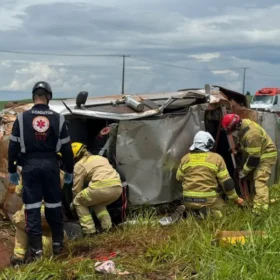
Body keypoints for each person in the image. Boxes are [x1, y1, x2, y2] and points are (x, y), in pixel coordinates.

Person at [8, 81, 74, 262]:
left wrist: (12, 169)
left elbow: (13, 146)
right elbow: (67, 149)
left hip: (30, 166)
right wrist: (69, 170)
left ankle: (36, 252)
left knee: (32, 209)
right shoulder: (58, 118)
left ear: (33, 96)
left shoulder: (22, 119)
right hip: (51, 165)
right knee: (54, 206)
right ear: (49, 96)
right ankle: (58, 247)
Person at [11, 159, 66, 266]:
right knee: (52, 231)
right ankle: (52, 257)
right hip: (52, 214)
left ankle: (18, 257)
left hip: (32, 213)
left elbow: (18, 192)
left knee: (20, 223)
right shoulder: (61, 174)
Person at [176, 131, 244, 218]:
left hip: (188, 200)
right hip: (208, 200)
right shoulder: (216, 158)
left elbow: (178, 178)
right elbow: (227, 184)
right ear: (209, 144)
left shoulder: (185, 158)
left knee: (193, 207)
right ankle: (210, 213)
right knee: (226, 211)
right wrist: (236, 199)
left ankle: (193, 211)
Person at [222, 114, 277, 213]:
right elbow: (242, 138)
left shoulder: (252, 135)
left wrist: (243, 172)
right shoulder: (244, 123)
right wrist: (238, 147)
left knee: (259, 179)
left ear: (237, 127)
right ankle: (254, 200)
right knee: (252, 177)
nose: (232, 134)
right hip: (257, 153)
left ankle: (260, 210)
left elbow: (254, 158)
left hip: (266, 155)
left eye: (232, 132)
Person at [71, 142, 122, 236]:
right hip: (117, 188)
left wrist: (73, 202)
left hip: (101, 188)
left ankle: (89, 231)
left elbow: (77, 189)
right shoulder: (99, 158)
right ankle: (107, 228)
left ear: (74, 157)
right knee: (98, 203)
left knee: (78, 201)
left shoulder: (79, 165)